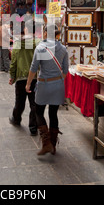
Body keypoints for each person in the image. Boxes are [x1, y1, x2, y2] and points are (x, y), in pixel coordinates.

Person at [26, 23, 68, 156]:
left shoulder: (40, 48)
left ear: (45, 33)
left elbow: (34, 68)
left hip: (44, 85)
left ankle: (47, 143)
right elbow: (66, 70)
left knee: (38, 112)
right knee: (53, 114)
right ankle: (53, 144)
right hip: (58, 85)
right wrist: (57, 80)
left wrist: (28, 84)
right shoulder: (63, 49)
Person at [9, 21, 38, 136]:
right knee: (34, 103)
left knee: (19, 102)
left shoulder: (18, 44)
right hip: (35, 78)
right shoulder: (38, 44)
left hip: (21, 78)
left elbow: (14, 62)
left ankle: (16, 119)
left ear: (26, 29)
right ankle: (33, 127)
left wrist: (12, 76)